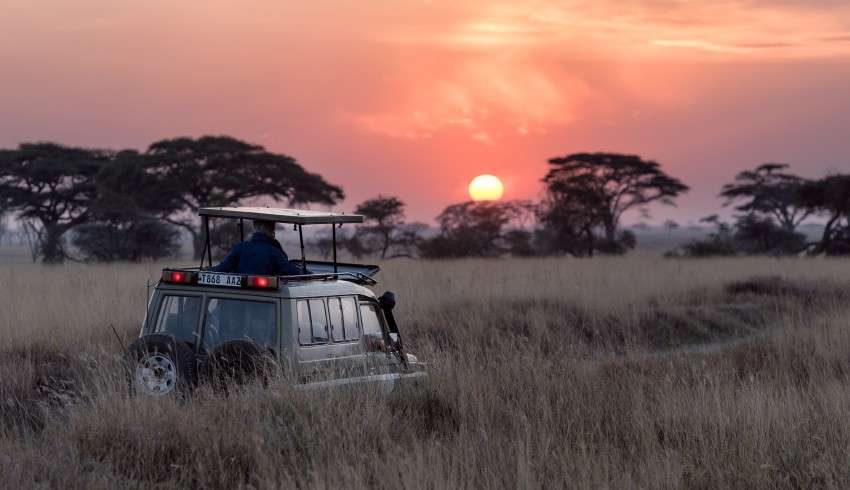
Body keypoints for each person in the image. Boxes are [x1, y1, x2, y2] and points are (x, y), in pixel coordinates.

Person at [210, 220, 304, 275]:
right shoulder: (274, 252)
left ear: (254, 228)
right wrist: (305, 272)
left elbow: (222, 268)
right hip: (266, 300)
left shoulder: (239, 247)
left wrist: (206, 270)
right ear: (270, 230)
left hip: (238, 299)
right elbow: (289, 270)